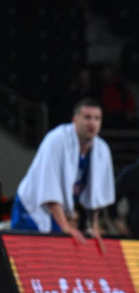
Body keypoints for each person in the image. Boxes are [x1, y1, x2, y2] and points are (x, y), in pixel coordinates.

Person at [11, 98, 115, 248]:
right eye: (87, 117)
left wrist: (94, 226)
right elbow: (49, 188)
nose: (92, 123)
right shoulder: (56, 140)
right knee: (28, 255)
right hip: (31, 207)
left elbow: (95, 196)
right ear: (75, 120)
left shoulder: (101, 150)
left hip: (60, 213)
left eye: (97, 118)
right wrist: (65, 226)